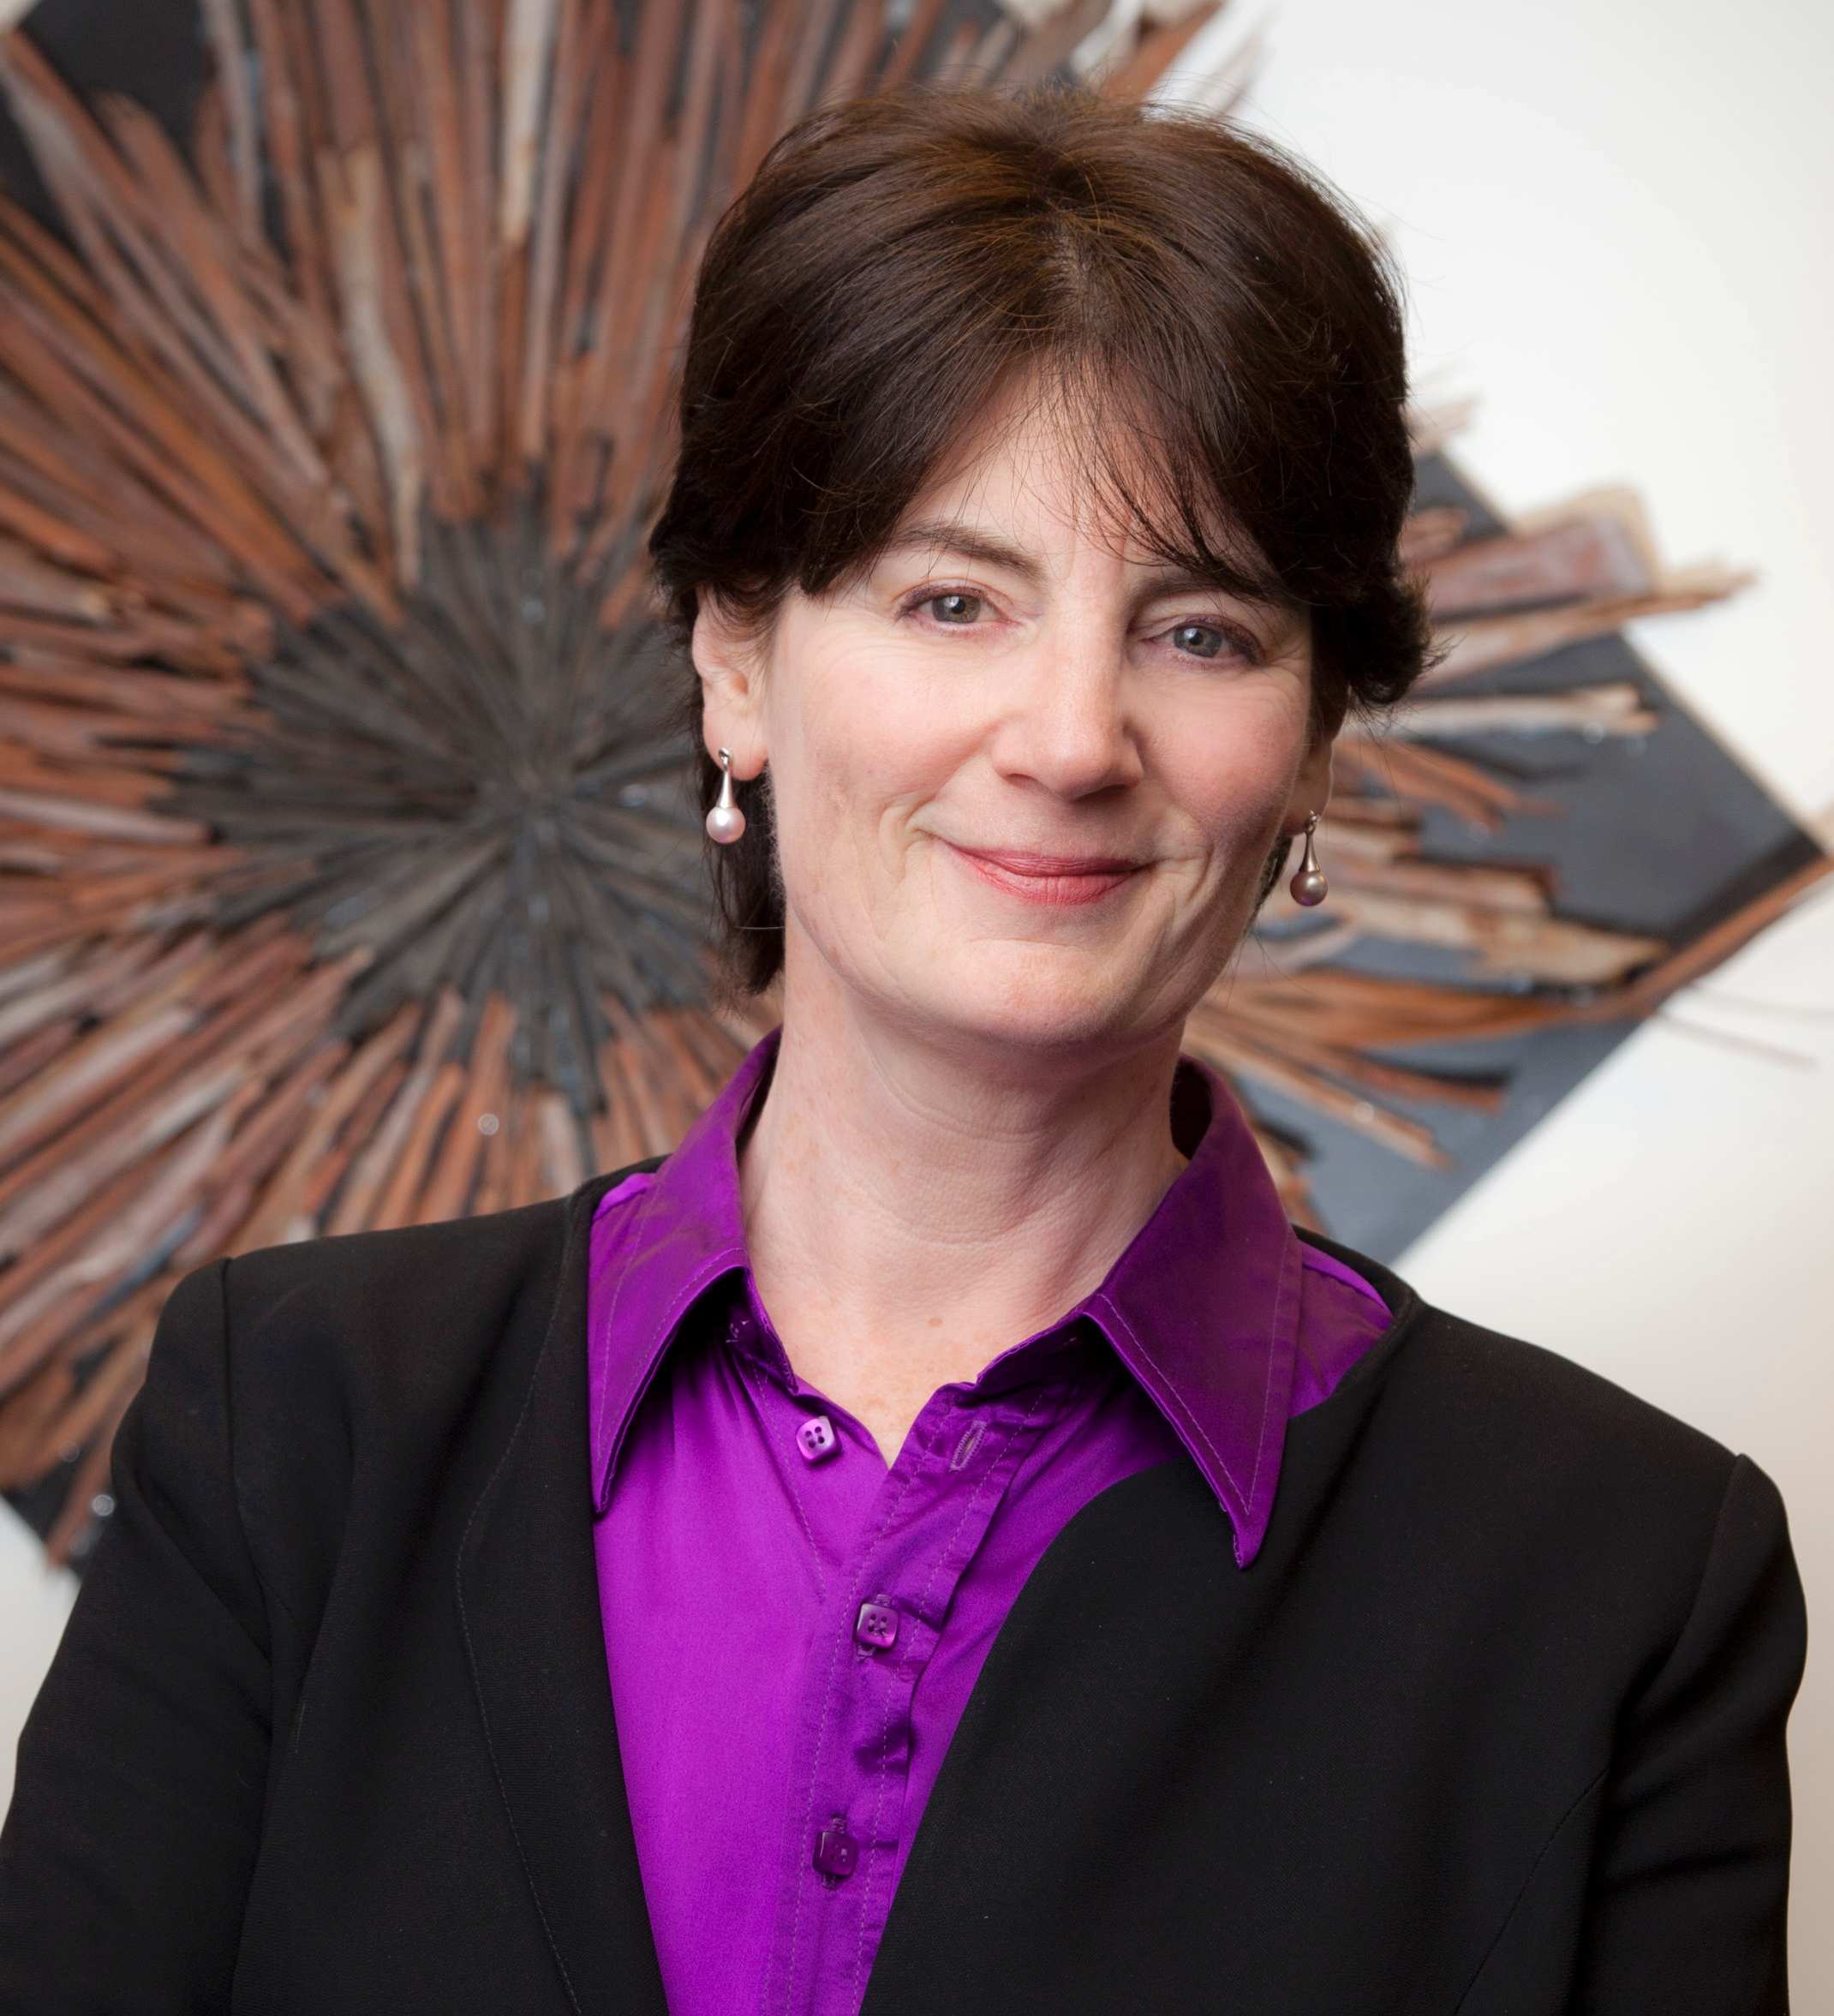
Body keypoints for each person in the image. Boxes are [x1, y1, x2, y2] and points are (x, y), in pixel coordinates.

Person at [0, 78, 1806, 2016]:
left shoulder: (1624, 1575)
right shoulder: (290, 1419)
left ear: (1310, 745)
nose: (1071, 737)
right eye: (953, 600)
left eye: (1202, 631)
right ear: (735, 660)